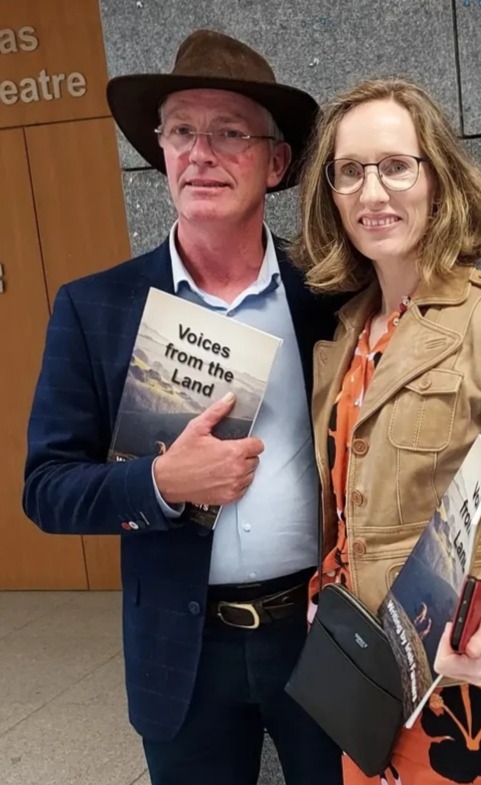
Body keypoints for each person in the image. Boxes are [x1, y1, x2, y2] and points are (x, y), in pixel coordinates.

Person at [23, 29, 343, 785]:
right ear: (161, 152)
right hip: (182, 648)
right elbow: (47, 489)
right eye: (180, 131)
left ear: (275, 163)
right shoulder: (96, 307)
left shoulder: (331, 294)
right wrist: (161, 483)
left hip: (320, 628)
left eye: (229, 133)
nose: (200, 153)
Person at [294, 78, 481, 785]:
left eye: (396, 165)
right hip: (366, 687)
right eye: (349, 171)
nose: (371, 191)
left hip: (471, 694)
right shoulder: (344, 336)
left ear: (438, 179)